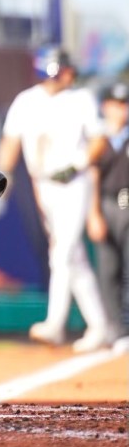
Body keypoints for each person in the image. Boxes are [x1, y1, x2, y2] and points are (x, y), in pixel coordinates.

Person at [0, 45, 114, 352]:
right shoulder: (26, 101)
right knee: (72, 256)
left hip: (75, 181)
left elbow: (100, 141)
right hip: (44, 185)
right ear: (52, 69)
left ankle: (55, 324)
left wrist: (77, 164)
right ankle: (100, 326)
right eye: (65, 67)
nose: (71, 73)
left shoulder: (81, 99)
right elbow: (10, 142)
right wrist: (3, 175)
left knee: (62, 253)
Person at [86, 81, 129, 347]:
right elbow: (92, 175)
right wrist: (93, 213)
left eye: (125, 105)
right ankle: (116, 329)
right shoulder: (99, 141)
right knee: (108, 269)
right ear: (106, 107)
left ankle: (126, 325)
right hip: (106, 204)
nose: (121, 111)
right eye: (116, 105)